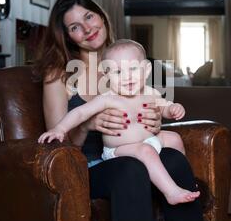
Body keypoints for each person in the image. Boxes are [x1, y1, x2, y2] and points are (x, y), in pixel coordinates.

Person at [33, 0, 205, 221]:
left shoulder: (126, 58)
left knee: (174, 159)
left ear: (101, 15)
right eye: (75, 27)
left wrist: (154, 121)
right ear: (68, 36)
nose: (86, 28)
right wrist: (87, 125)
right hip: (94, 165)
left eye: (89, 16)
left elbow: (151, 112)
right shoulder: (59, 74)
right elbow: (59, 147)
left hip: (138, 149)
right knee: (129, 169)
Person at [38, 39, 201, 205]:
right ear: (107, 76)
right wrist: (59, 128)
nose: (127, 77)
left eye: (133, 69)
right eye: (118, 72)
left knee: (174, 138)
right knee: (146, 151)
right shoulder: (107, 98)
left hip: (149, 141)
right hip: (119, 149)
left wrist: (173, 109)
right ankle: (171, 192)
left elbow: (164, 107)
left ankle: (183, 181)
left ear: (146, 70)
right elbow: (80, 113)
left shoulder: (151, 92)